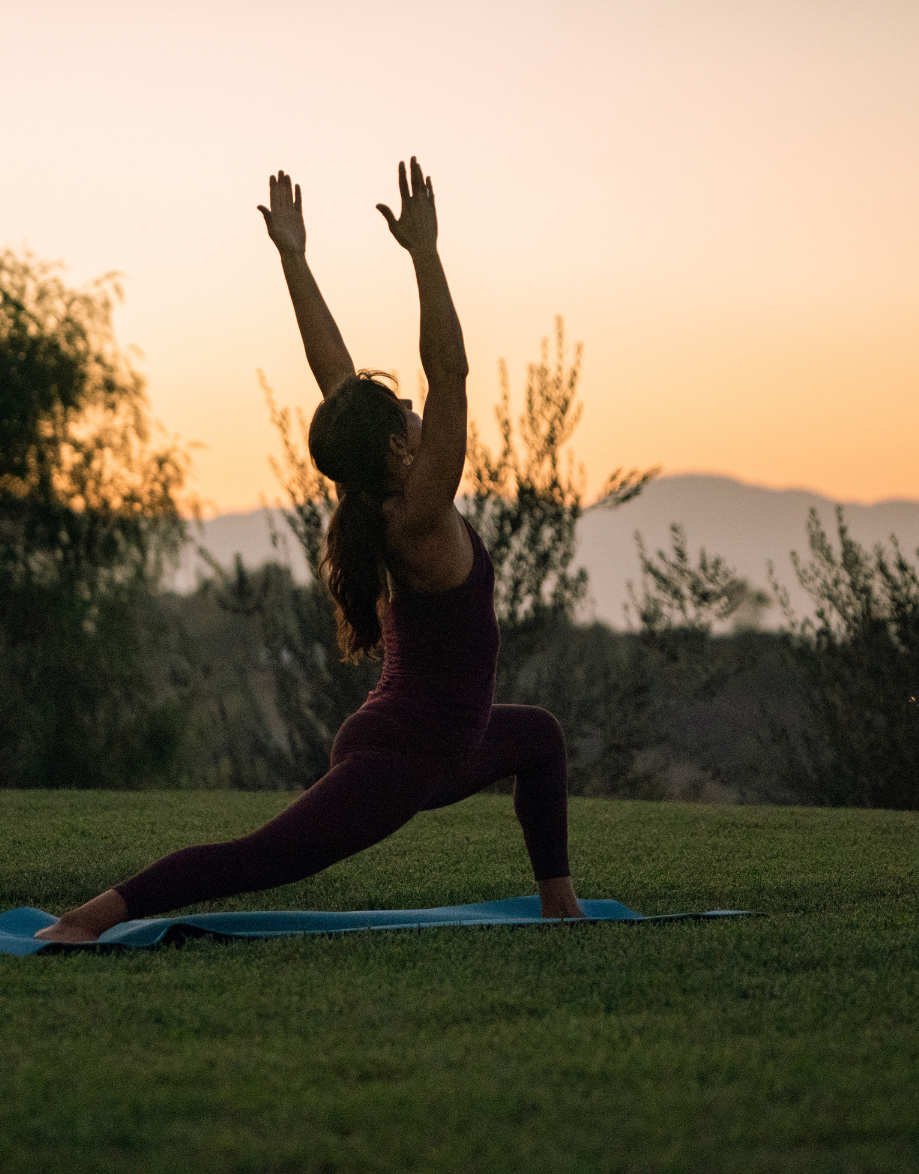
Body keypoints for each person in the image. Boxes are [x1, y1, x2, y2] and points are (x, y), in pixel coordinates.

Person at [35, 157, 584, 943]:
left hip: (434, 742)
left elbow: (336, 380)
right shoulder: (421, 516)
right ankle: (87, 920)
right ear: (399, 452)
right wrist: (426, 255)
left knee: (537, 738)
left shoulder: (369, 494)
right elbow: (451, 372)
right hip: (401, 758)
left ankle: (560, 905)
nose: (413, 408)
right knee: (255, 859)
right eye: (404, 411)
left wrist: (295, 259)